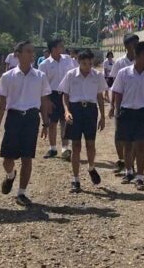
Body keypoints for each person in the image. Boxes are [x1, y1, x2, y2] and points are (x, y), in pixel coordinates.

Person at [0, 40, 51, 207]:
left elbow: (44, 100)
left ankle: (22, 193)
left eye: (33, 52)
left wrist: (45, 123)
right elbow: (2, 104)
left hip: (31, 118)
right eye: (28, 51)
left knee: (27, 157)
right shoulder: (7, 77)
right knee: (7, 158)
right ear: (17, 54)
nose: (32, 55)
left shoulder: (40, 76)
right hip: (14, 117)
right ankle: (10, 175)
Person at [111, 41, 144, 190]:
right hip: (127, 111)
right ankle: (129, 171)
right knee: (128, 145)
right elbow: (117, 92)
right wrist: (117, 111)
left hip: (143, 112)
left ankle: (140, 176)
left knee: (141, 146)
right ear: (136, 56)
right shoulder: (124, 73)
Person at [59, 50, 107, 192]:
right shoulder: (71, 75)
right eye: (85, 63)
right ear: (79, 62)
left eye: (90, 63)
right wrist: (67, 111)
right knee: (76, 146)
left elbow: (99, 97)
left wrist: (102, 117)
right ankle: (75, 179)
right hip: (75, 110)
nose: (87, 66)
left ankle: (91, 167)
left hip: (90, 110)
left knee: (90, 144)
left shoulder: (97, 76)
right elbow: (65, 95)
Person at [38, 39, 77, 160]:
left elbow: (75, 73)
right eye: (60, 46)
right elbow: (42, 84)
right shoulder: (44, 64)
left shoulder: (68, 60)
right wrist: (47, 100)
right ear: (53, 49)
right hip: (52, 95)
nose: (63, 48)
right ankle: (52, 148)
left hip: (66, 94)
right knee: (52, 123)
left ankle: (65, 148)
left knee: (65, 121)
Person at [109, 34, 140, 175]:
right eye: (134, 44)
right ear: (127, 46)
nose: (136, 47)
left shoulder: (143, 61)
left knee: (134, 137)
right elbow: (114, 87)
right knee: (119, 134)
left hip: (137, 104)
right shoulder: (119, 63)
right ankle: (121, 159)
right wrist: (112, 105)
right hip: (121, 104)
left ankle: (131, 164)